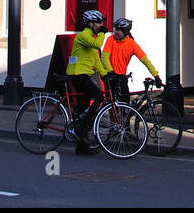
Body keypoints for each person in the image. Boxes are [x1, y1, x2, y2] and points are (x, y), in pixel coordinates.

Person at [66, 10, 113, 155]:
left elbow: (96, 59)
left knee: (83, 107)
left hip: (84, 74)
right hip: (78, 74)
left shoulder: (90, 38)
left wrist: (105, 75)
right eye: (99, 23)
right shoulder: (83, 36)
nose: (101, 25)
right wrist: (103, 33)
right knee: (98, 96)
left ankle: (82, 147)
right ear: (91, 24)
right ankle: (81, 130)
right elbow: (98, 45)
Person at [102, 18, 161, 103]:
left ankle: (123, 114)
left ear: (125, 31)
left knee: (125, 100)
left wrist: (156, 76)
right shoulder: (111, 39)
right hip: (110, 75)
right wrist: (110, 71)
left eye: (118, 30)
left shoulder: (131, 44)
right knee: (112, 104)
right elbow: (104, 57)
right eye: (115, 29)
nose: (115, 32)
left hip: (121, 76)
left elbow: (145, 60)